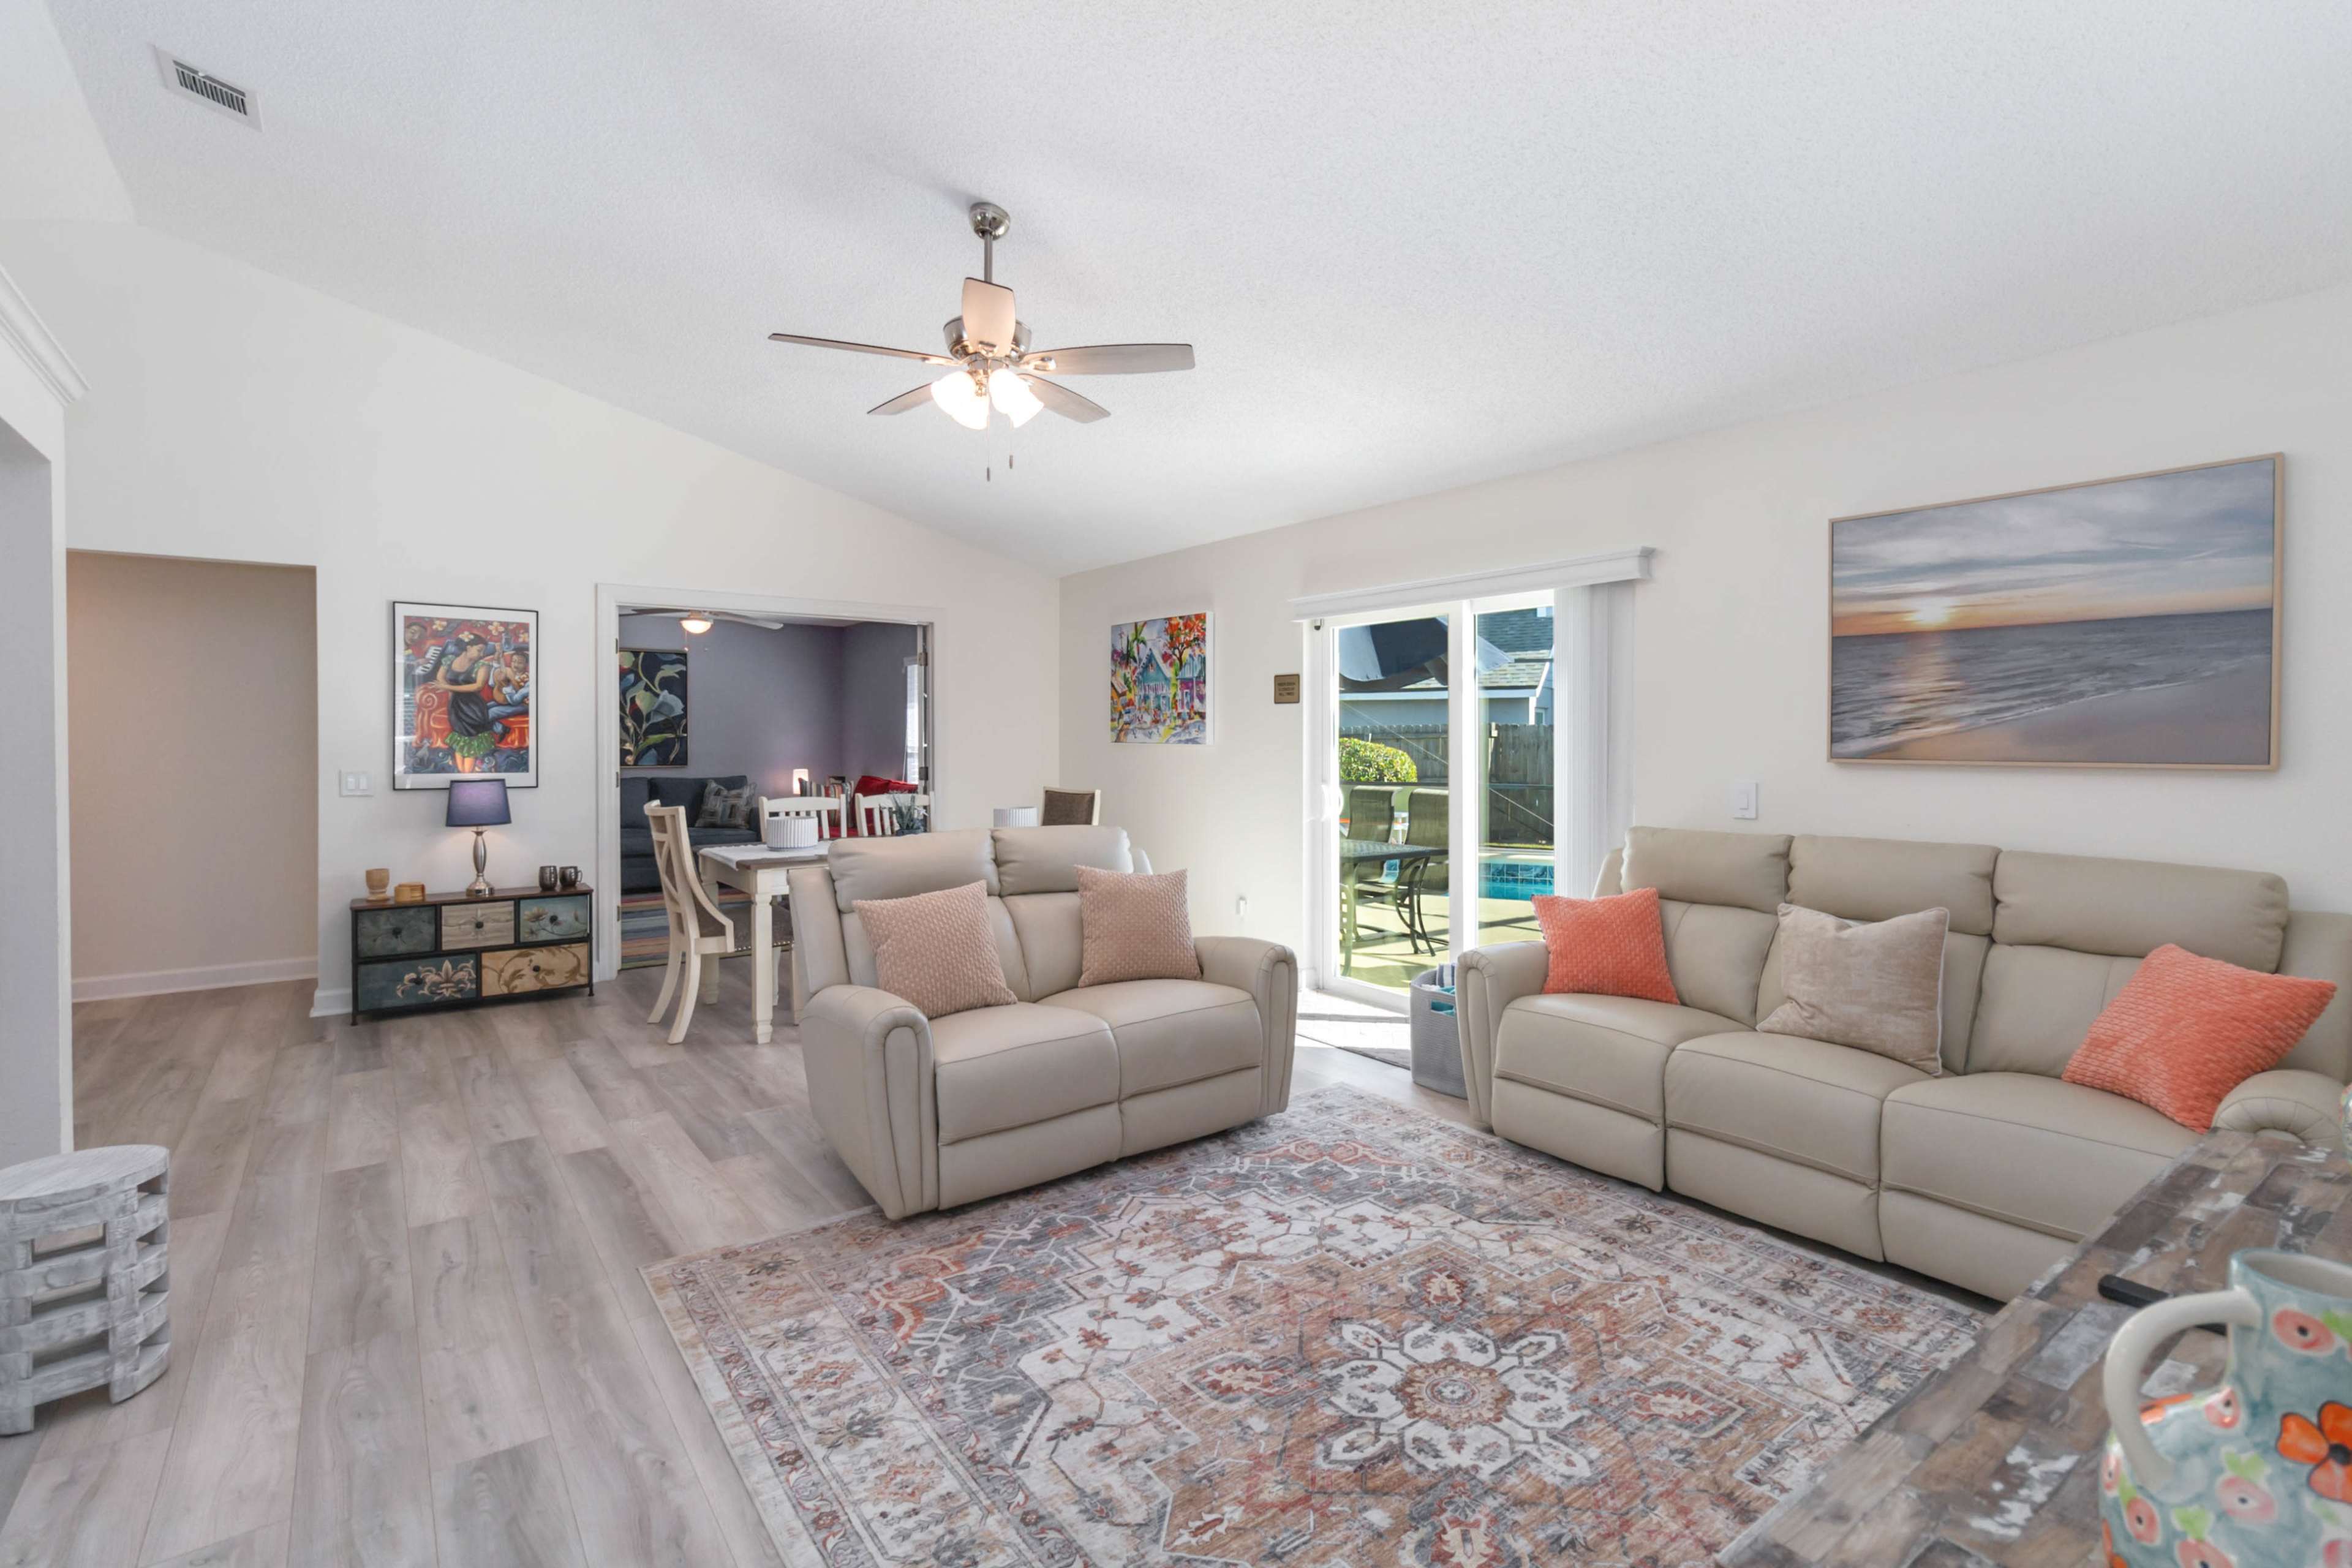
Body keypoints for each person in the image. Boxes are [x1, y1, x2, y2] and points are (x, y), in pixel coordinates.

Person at [487, 649, 531, 745]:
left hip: (523, 705)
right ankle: (499, 728)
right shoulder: (508, 673)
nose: (516, 665)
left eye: (520, 663)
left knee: (492, 712)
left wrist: (507, 686)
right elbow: (491, 683)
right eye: (514, 661)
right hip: (506, 700)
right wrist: (496, 668)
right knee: (483, 708)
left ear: (526, 665)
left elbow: (515, 701)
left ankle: (500, 729)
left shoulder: (529, 681)